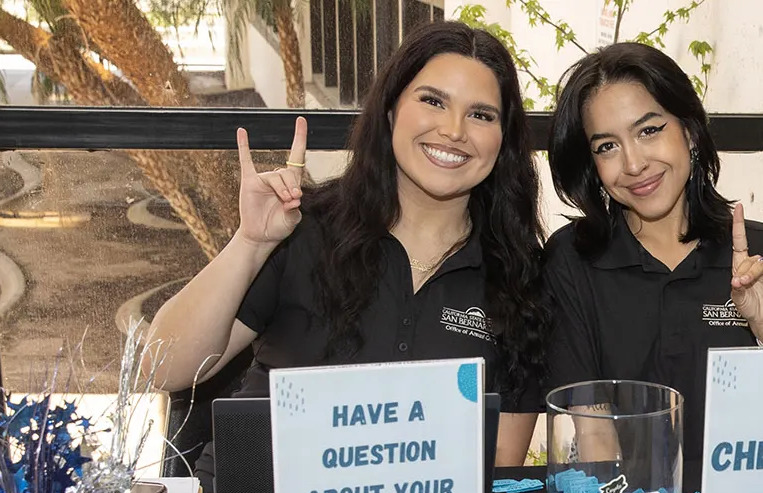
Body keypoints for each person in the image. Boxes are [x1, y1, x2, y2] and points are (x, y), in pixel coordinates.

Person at [147, 21, 547, 466]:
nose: (454, 130)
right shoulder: (302, 227)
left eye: (481, 114)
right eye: (433, 101)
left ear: (503, 138)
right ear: (392, 110)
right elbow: (163, 368)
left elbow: (502, 471)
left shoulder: (521, 275)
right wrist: (250, 242)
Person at [539, 41, 763, 481]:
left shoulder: (762, 257)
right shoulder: (571, 259)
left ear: (689, 132)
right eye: (606, 146)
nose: (634, 164)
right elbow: (594, 433)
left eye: (649, 130)